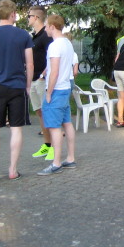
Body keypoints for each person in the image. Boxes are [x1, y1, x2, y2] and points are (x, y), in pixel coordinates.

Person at [0, 0, 34, 181]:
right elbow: (30, 63)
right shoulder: (24, 35)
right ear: (13, 14)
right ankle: (13, 170)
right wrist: (28, 85)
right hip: (18, 87)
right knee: (16, 129)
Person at [37, 14, 77, 176]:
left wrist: (48, 92)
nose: (45, 28)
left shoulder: (55, 46)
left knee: (54, 127)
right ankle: (70, 158)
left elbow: (53, 72)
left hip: (57, 90)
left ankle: (56, 163)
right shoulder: (67, 43)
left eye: (46, 26)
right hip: (66, 88)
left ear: (52, 26)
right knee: (67, 123)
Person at [28, 6, 55, 161]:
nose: (28, 19)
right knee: (40, 113)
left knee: (47, 112)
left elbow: (52, 58)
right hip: (33, 80)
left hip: (41, 80)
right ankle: (47, 144)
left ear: (36, 18)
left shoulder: (46, 35)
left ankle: (54, 147)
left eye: (29, 16)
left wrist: (43, 75)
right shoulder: (35, 36)